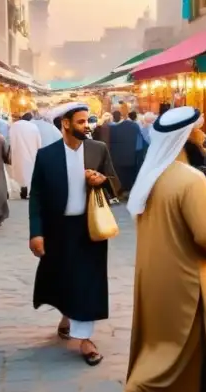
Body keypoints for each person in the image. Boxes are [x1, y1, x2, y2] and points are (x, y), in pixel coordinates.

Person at [102, 108, 206, 392]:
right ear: (185, 137)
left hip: (155, 273)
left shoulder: (153, 176)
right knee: (172, 349)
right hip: (186, 276)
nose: (202, 136)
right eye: (197, 131)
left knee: (183, 348)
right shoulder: (190, 179)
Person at [29, 104, 120, 366]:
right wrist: (37, 233)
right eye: (80, 122)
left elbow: (115, 182)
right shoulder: (46, 156)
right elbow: (37, 197)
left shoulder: (98, 149)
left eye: (87, 121)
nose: (86, 126)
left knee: (88, 281)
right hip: (58, 230)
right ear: (65, 124)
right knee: (63, 279)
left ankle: (85, 340)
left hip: (89, 228)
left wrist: (101, 180)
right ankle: (68, 315)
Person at [10, 112, 43, 200]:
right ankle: (28, 192)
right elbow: (38, 141)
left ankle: (23, 190)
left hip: (17, 152)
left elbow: (9, 139)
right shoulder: (33, 126)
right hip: (31, 152)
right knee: (30, 173)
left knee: (21, 173)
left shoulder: (14, 126)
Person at [109, 110, 143, 194]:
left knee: (121, 175)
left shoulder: (112, 128)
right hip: (131, 157)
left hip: (117, 158)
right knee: (129, 175)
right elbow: (139, 144)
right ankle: (129, 190)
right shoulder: (134, 126)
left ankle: (121, 190)